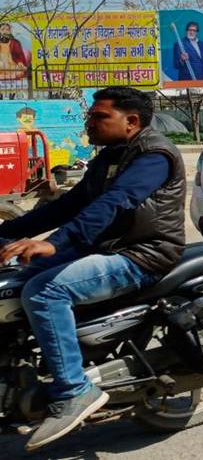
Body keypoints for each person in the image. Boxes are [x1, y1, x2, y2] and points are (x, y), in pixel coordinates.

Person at [0, 87, 186, 451]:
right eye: (90, 116)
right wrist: (7, 233)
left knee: (43, 291)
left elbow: (116, 204)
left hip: (143, 254)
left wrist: (55, 243)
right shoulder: (109, 157)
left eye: (99, 116)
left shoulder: (154, 155)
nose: (90, 122)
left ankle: (74, 390)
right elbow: (67, 205)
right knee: (13, 275)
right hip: (106, 247)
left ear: (131, 121)